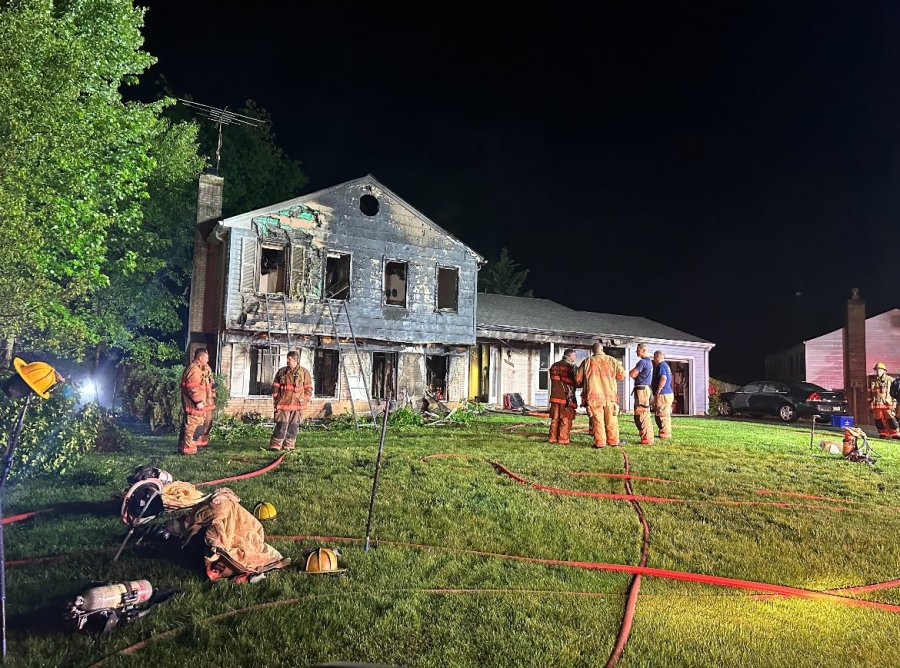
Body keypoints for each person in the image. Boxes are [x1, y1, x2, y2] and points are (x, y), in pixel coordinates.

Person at [575, 342, 626, 448]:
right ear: (602, 349)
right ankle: (613, 441)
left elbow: (578, 379)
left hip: (594, 397)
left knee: (597, 421)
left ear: (593, 351)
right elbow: (621, 375)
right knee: (611, 420)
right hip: (610, 396)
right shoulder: (612, 360)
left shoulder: (587, 361)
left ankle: (600, 443)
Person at [270, 350, 313, 450]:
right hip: (283, 404)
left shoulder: (304, 373)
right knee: (281, 424)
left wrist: (304, 401)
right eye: (287, 359)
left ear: (295, 360)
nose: (287, 361)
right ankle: (275, 445)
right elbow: (275, 386)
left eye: (289, 359)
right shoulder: (282, 372)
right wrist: (276, 398)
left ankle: (288, 445)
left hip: (297, 405)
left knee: (293, 426)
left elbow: (308, 389)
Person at [180, 348, 216, 455]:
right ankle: (188, 450)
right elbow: (192, 387)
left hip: (202, 404)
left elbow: (208, 383)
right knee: (193, 427)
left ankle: (191, 446)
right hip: (195, 405)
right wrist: (198, 401)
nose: (208, 360)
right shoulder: (194, 370)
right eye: (206, 358)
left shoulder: (203, 369)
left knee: (198, 426)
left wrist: (211, 395)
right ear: (200, 358)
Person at [548, 348, 578, 444]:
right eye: (574, 355)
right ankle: (563, 439)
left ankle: (552, 438)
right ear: (569, 356)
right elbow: (577, 382)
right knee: (565, 418)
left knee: (555, 418)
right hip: (566, 398)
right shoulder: (571, 367)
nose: (575, 357)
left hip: (554, 397)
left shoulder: (554, 366)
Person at [628, 344, 654, 445]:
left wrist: (632, 373)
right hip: (646, 388)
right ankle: (648, 438)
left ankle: (646, 439)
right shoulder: (649, 362)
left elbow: (632, 374)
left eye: (638, 350)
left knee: (641, 414)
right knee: (645, 414)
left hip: (641, 390)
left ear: (643, 351)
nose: (636, 352)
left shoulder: (642, 362)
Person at [869, 362, 900, 439]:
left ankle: (895, 433)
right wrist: (870, 403)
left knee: (890, 419)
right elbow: (870, 393)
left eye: (879, 370)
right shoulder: (872, 380)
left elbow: (895, 391)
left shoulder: (890, 380)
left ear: (884, 371)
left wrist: (894, 402)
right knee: (878, 420)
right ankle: (883, 433)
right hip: (876, 404)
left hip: (887, 404)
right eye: (876, 370)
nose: (877, 372)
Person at [652, 350, 674, 439]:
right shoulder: (666, 366)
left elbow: (663, 378)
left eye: (654, 357)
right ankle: (665, 432)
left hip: (663, 394)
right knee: (665, 414)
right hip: (668, 393)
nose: (653, 359)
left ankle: (665, 434)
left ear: (657, 357)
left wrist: (659, 389)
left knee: (662, 414)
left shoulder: (660, 366)